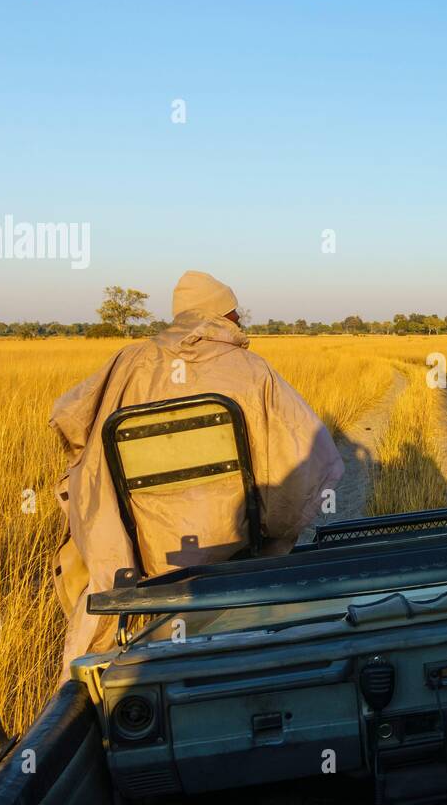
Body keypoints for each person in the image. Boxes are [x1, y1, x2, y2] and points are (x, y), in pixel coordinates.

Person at [49, 271, 343, 679]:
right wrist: (273, 525)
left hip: (140, 554)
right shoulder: (252, 369)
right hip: (235, 547)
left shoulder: (126, 363)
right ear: (225, 316)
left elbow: (68, 420)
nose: (241, 321)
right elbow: (308, 464)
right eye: (236, 314)